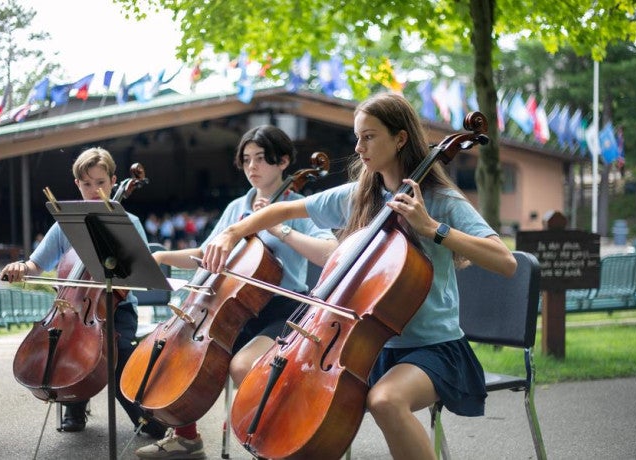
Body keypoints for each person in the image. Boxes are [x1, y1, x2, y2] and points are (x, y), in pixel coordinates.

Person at [201, 93, 518, 460]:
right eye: (357, 137)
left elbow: (505, 261)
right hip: (366, 348)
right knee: (296, 395)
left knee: (385, 401)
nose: (358, 147)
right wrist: (231, 233)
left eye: (368, 137)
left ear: (400, 138)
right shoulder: (361, 195)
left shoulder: (440, 199)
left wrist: (431, 228)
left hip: (432, 348)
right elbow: (282, 210)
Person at [134, 125, 338, 459]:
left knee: (243, 365)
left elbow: (331, 252)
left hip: (282, 307)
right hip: (235, 304)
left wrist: (278, 227)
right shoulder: (236, 208)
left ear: (283, 160)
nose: (252, 167)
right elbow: (208, 253)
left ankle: (277, 441)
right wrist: (161, 257)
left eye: (261, 158)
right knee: (189, 357)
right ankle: (186, 438)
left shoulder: (300, 206)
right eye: (246, 160)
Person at [0, 147, 167, 439]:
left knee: (118, 358)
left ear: (114, 181)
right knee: (66, 345)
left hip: (116, 307)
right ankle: (74, 402)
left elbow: (138, 274)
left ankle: (144, 417)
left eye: (100, 182)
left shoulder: (128, 222)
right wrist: (20, 268)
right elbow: (36, 264)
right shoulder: (66, 223)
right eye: (87, 183)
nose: (94, 190)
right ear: (77, 184)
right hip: (70, 308)